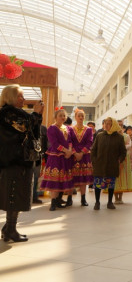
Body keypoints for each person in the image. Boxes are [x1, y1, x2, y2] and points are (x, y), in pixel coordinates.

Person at [0, 84, 43, 242]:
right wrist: (36, 114)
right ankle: (10, 229)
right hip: (14, 161)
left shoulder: (16, 113)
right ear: (11, 97)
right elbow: (25, 128)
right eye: (20, 96)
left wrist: (36, 116)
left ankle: (9, 227)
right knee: (14, 194)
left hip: (20, 161)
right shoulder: (7, 113)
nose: (24, 99)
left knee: (18, 194)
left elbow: (34, 132)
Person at [40, 108, 75, 211]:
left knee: (62, 179)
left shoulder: (67, 128)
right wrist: (66, 151)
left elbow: (70, 141)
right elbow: (54, 143)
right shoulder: (51, 128)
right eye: (60, 115)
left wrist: (69, 151)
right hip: (55, 156)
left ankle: (58, 201)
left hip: (66, 157)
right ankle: (53, 203)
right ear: (55, 117)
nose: (63, 117)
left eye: (64, 115)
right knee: (54, 179)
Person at [91, 117, 127, 210]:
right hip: (99, 165)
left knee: (111, 185)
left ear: (113, 125)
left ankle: (110, 202)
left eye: (108, 124)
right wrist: (94, 161)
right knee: (98, 185)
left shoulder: (119, 137)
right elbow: (93, 150)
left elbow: (123, 152)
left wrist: (119, 160)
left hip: (112, 165)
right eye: (105, 123)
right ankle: (97, 202)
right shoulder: (99, 135)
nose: (106, 125)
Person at [70, 108, 94, 206]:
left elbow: (90, 142)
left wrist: (82, 153)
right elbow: (69, 142)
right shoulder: (70, 129)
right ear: (75, 117)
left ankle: (83, 199)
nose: (80, 117)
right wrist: (75, 153)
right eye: (79, 116)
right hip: (73, 156)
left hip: (84, 156)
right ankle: (69, 198)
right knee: (71, 177)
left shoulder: (88, 129)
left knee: (83, 178)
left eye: (82, 116)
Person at [113, 123, 132, 204]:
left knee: (123, 178)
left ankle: (120, 197)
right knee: (115, 179)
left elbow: (129, 146)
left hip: (124, 159)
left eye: (120, 126)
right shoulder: (112, 136)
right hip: (114, 159)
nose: (119, 128)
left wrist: (121, 147)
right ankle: (115, 198)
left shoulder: (126, 136)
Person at [32, 124, 47, 204]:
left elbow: (45, 143)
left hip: (39, 157)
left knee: (36, 177)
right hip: (28, 157)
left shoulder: (43, 128)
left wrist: (46, 157)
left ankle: (34, 196)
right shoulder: (27, 126)